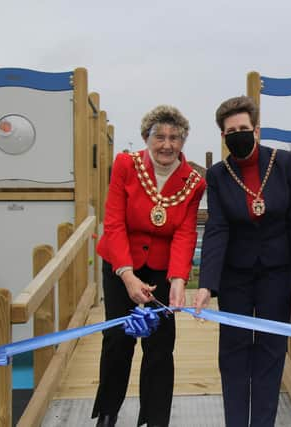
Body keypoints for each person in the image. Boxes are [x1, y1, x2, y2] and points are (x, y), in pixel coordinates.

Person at [194, 96, 291, 427]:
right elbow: (217, 229)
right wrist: (207, 283)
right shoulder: (218, 175)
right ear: (223, 136)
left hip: (276, 276)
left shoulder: (281, 164)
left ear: (256, 129)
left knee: (270, 352)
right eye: (231, 130)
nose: (238, 134)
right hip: (235, 277)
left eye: (243, 128)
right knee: (234, 354)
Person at [92, 105, 206, 427]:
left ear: (183, 141)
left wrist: (180, 279)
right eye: (160, 137)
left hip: (161, 270)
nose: (167, 144)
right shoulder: (126, 165)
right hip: (120, 265)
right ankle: (108, 412)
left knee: (159, 347)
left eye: (175, 137)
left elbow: (185, 233)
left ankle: (155, 419)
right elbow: (113, 223)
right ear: (147, 137)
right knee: (118, 341)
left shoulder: (194, 183)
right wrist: (126, 275)